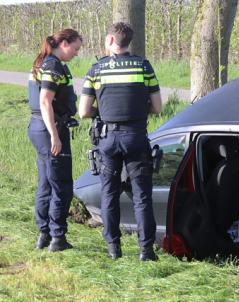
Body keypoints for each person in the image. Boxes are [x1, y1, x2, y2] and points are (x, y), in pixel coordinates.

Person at [79, 22, 162, 261]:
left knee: (109, 194)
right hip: (136, 137)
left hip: (108, 138)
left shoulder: (96, 70)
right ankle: (146, 251)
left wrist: (103, 112)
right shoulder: (144, 66)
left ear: (111, 41)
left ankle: (113, 249)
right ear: (128, 42)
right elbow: (157, 107)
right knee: (142, 196)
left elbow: (83, 111)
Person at [28, 29, 82, 252]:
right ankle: (57, 238)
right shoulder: (52, 65)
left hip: (39, 127)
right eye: (76, 48)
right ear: (64, 43)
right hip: (49, 129)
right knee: (61, 186)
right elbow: (45, 102)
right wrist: (55, 136)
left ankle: (44, 234)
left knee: (46, 183)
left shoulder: (43, 62)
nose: (77, 53)